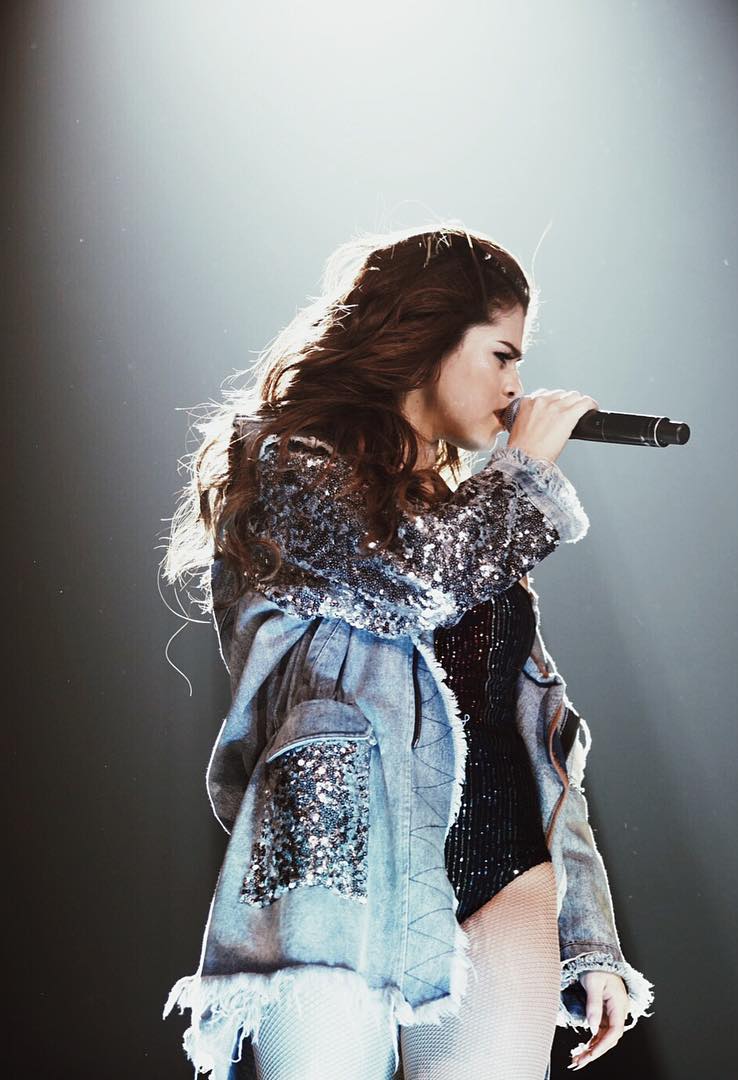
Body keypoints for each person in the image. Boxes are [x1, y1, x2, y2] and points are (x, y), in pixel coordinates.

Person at [160, 224, 653, 1080]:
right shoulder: (288, 469)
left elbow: (538, 734)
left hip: (502, 863)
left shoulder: (479, 523)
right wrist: (524, 471)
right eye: (502, 355)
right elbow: (413, 583)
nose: (516, 385)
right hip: (338, 863)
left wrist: (591, 940)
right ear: (428, 337)